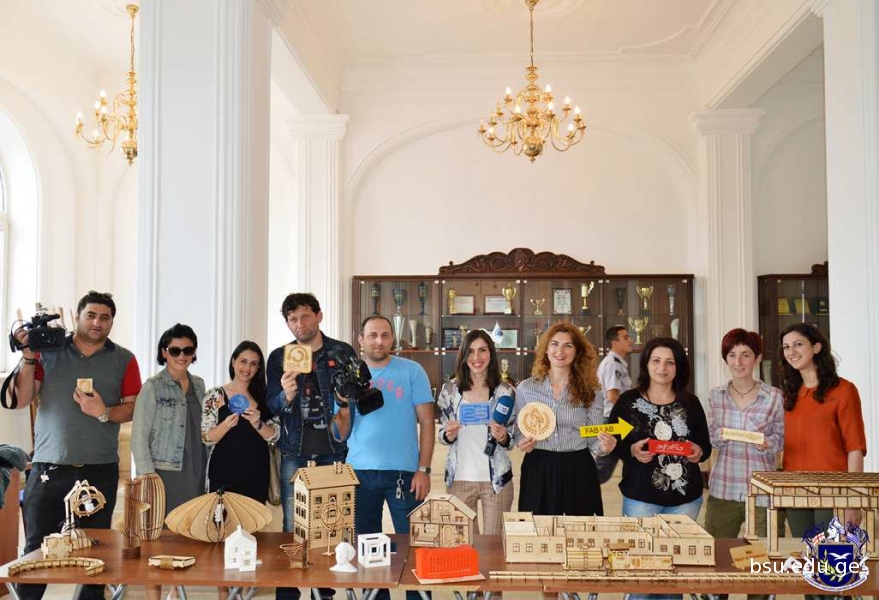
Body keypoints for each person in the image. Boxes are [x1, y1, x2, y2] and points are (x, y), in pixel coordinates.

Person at [7, 291, 142, 600]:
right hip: (49, 467)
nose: (97, 322)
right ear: (78, 317)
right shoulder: (48, 352)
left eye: (104, 317)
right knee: (37, 548)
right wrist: (28, 356)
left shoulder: (124, 359)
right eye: (90, 315)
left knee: (97, 551)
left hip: (99, 469)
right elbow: (23, 398)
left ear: (112, 323)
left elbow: (131, 408)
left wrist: (104, 412)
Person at [333, 316, 434, 600]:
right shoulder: (347, 377)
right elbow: (340, 433)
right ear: (361, 340)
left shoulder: (411, 370)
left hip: (404, 474)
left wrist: (424, 469)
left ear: (392, 338)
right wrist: (342, 404)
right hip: (360, 473)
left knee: (414, 547)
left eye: (385, 335)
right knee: (368, 550)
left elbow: (427, 421)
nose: (379, 341)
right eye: (373, 335)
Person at [266, 293, 355, 600]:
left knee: (330, 525)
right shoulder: (279, 357)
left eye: (305, 316)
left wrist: (345, 400)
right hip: (295, 450)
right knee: (292, 526)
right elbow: (272, 404)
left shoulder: (341, 352)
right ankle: (287, 593)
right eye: (292, 319)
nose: (299, 324)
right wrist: (286, 394)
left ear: (319, 316)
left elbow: (355, 393)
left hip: (334, 450)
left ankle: (324, 593)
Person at [705, 328, 784, 599]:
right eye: (732, 355)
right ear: (725, 359)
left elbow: (781, 440)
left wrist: (766, 442)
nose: (738, 362)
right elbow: (711, 437)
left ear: (757, 358)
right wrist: (722, 435)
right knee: (717, 559)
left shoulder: (774, 396)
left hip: (761, 491)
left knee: (758, 563)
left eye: (746, 355)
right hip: (723, 488)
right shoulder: (715, 396)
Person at [131, 323, 206, 600]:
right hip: (163, 472)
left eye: (188, 350)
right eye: (175, 350)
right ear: (164, 352)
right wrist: (147, 478)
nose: (181, 355)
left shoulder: (199, 385)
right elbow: (139, 437)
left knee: (185, 534)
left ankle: (176, 592)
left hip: (196, 468)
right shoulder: (152, 387)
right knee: (157, 538)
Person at [513, 322, 615, 516]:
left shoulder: (592, 391)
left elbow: (593, 439)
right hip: (538, 467)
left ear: (577, 352)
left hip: (578, 468)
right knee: (538, 528)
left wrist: (605, 446)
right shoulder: (526, 388)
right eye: (554, 344)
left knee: (579, 530)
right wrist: (522, 442)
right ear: (545, 349)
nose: (560, 351)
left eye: (568, 345)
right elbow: (518, 430)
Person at [778, 323, 866, 535]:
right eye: (786, 347)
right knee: (805, 553)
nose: (791, 352)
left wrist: (852, 499)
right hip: (795, 490)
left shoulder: (844, 390)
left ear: (816, 347)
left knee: (833, 555)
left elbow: (855, 447)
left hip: (834, 490)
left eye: (798, 344)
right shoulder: (788, 395)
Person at [610, 337, 710, 520]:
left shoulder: (691, 403)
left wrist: (699, 451)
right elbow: (613, 443)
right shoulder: (628, 402)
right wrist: (632, 450)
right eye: (656, 360)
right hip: (640, 499)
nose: (662, 368)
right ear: (646, 364)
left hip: (686, 501)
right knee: (641, 541)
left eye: (670, 362)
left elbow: (705, 446)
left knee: (682, 541)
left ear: (678, 367)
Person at [437, 330, 515, 535]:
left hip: (497, 481)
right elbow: (442, 434)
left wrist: (502, 436)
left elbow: (512, 439)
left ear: (491, 353)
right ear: (463, 355)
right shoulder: (449, 390)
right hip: (459, 479)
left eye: (482, 350)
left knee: (494, 545)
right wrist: (449, 435)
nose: (476, 357)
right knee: (464, 544)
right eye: (470, 351)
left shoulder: (505, 391)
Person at [202, 341, 279, 503]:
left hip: (256, 473)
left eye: (253, 364)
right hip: (223, 471)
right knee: (221, 517)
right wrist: (226, 425)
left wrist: (258, 424)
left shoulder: (266, 397)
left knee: (253, 519)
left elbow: (275, 436)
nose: (247, 368)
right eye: (243, 361)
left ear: (258, 368)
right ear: (233, 362)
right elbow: (206, 438)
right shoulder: (215, 395)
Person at [595, 325, 633, 484]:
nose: (631, 340)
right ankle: (574, 491)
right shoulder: (613, 364)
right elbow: (612, 396)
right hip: (613, 421)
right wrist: (632, 413)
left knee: (632, 458)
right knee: (602, 469)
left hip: (617, 420)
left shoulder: (616, 362)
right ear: (614, 343)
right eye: (625, 337)